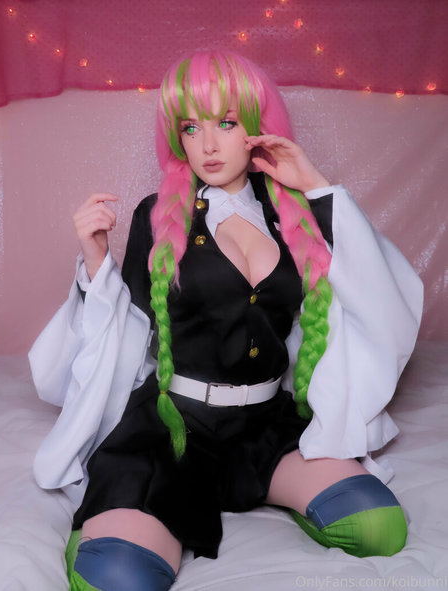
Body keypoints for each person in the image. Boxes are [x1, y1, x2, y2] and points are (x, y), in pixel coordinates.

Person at [29, 51, 423, 591]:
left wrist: (315, 184)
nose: (208, 145)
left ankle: (258, 486)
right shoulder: (156, 215)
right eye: (190, 127)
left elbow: (376, 293)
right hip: (173, 429)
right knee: (118, 576)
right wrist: (96, 261)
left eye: (227, 123)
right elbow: (128, 331)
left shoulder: (292, 213)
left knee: (379, 527)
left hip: (266, 429)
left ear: (257, 127)